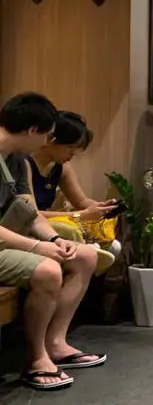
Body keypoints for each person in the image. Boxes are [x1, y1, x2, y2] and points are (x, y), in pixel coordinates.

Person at [0, 93, 104, 390]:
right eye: (47, 134)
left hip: (9, 239)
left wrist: (55, 239)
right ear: (32, 130)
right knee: (48, 270)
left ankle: (55, 343)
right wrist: (37, 247)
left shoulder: (16, 160)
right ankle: (36, 359)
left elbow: (30, 213)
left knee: (84, 256)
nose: (48, 141)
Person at [26, 111, 120, 270]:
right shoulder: (24, 164)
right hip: (30, 224)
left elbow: (81, 201)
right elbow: (31, 213)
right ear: (51, 140)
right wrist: (80, 215)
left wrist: (101, 208)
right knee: (80, 242)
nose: (73, 154)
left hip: (47, 221)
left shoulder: (61, 166)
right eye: (70, 147)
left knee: (113, 246)